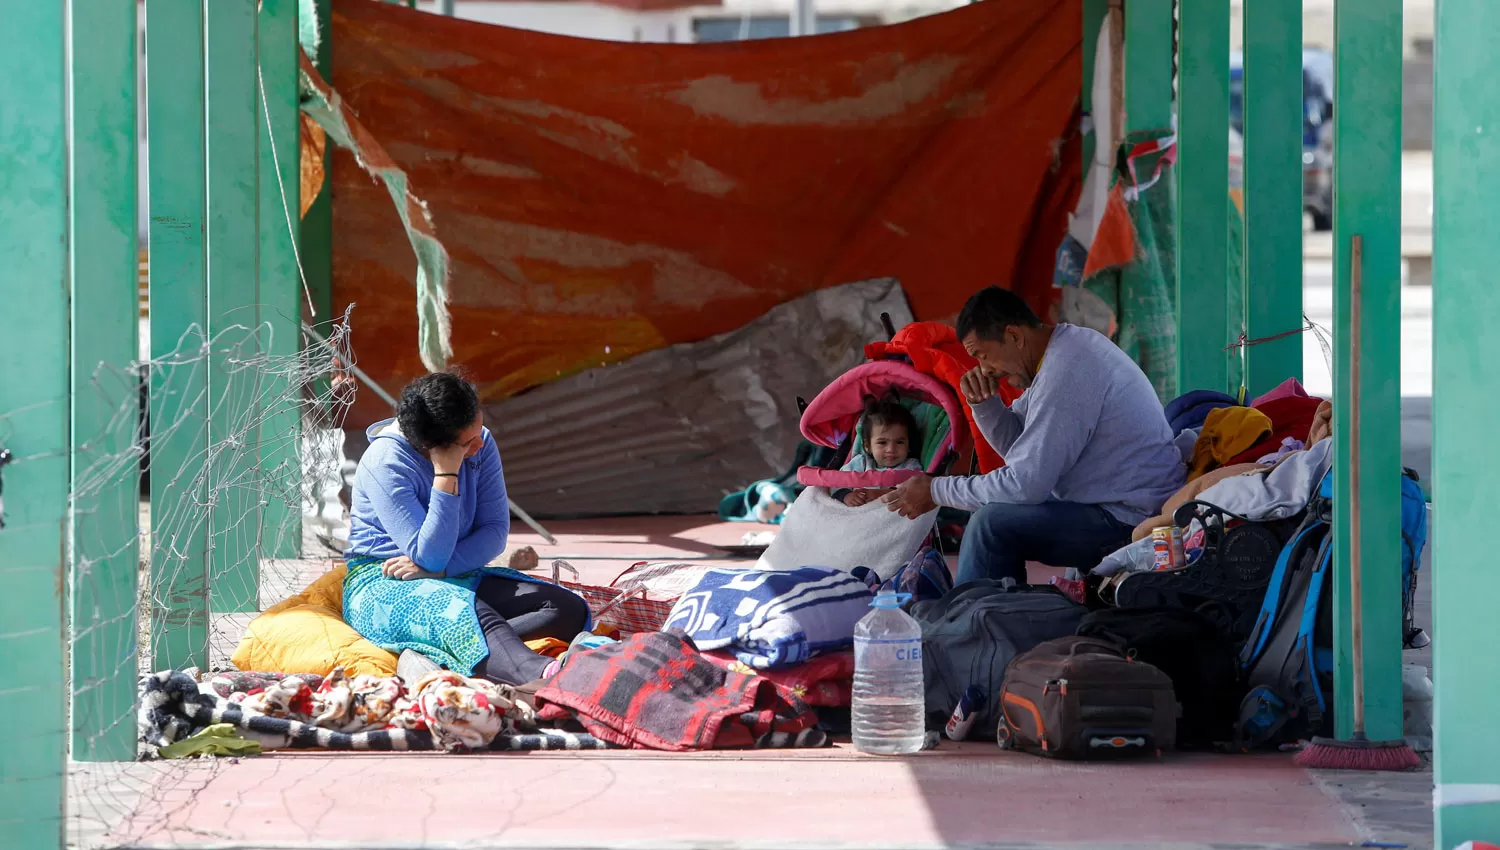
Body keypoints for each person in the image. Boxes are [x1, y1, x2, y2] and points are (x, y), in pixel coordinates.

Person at [883, 287, 1184, 585]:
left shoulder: (1067, 370)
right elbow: (1019, 447)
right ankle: (981, 617)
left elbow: (1026, 485)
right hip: (1113, 507)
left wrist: (936, 490)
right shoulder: (1061, 352)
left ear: (1014, 336)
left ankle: (970, 625)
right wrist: (984, 405)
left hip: (1132, 519)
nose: (986, 371)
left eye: (983, 356)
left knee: (991, 525)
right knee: (994, 514)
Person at [343, 371, 589, 685]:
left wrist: (443, 572)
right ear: (430, 446)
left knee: (565, 608)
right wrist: (446, 475)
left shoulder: (481, 441)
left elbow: (494, 531)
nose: (479, 445)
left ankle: (444, 652)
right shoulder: (386, 462)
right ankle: (547, 676)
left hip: (455, 573)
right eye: (466, 444)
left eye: (477, 432)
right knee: (462, 613)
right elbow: (429, 555)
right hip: (386, 580)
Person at [834, 399, 925, 507]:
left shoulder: (911, 466)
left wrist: (881, 494)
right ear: (868, 446)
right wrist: (846, 496)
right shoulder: (861, 463)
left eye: (899, 442)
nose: (891, 449)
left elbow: (917, 491)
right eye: (882, 442)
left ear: (909, 444)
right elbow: (835, 483)